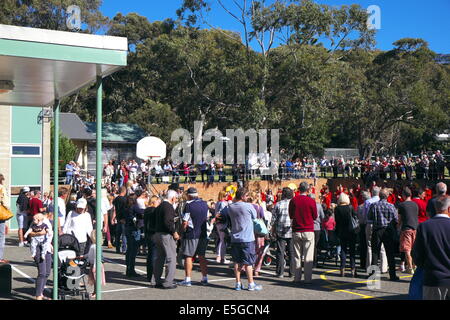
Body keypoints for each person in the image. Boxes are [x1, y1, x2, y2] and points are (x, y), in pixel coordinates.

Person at [412, 195, 450, 300]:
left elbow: (417, 254)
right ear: (448, 208)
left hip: (433, 278)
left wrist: (425, 265)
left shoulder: (424, 227)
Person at [226, 188, 262, 291]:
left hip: (235, 237)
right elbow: (255, 217)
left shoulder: (230, 207)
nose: (248, 197)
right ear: (242, 196)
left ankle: (238, 283)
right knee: (248, 262)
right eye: (246, 196)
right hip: (247, 238)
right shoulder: (248, 206)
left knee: (237, 262)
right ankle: (251, 284)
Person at [178, 188, 209, 286]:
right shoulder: (204, 203)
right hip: (203, 233)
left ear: (189, 195)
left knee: (188, 256)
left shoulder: (189, 205)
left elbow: (185, 222)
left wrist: (181, 232)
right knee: (202, 256)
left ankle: (188, 279)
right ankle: (205, 277)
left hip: (192, 234)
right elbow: (207, 217)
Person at [288, 182, 317, 284]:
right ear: (307, 190)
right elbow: (315, 216)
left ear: (299, 189)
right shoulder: (311, 201)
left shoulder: (293, 200)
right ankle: (308, 278)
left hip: (297, 229)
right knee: (308, 256)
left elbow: (291, 215)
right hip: (308, 229)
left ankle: (297, 277)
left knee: (297, 255)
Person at [368, 189, 399, 281]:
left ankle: (373, 275)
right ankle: (392, 275)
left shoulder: (374, 205)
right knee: (390, 253)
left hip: (377, 230)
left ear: (379, 196)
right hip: (388, 230)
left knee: (375, 252)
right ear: (387, 196)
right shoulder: (391, 206)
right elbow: (396, 219)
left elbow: (369, 219)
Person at [153, 190, 180, 289]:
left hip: (158, 233)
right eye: (176, 198)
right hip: (166, 234)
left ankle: (157, 280)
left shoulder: (160, 206)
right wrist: (174, 232)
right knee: (171, 258)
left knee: (160, 258)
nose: (176, 200)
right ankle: (168, 282)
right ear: (172, 198)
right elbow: (168, 221)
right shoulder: (168, 206)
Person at [271, 187, 294, 278]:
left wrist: (272, 229)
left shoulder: (278, 204)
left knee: (280, 252)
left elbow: (274, 219)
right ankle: (292, 272)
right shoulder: (293, 204)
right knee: (292, 252)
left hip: (280, 230)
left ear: (283, 195)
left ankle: (280, 272)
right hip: (291, 230)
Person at [364, 186, 388, 273]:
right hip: (383, 225)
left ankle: (369, 267)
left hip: (371, 223)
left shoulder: (368, 202)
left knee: (370, 246)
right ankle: (383, 268)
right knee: (382, 248)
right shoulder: (386, 203)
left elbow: (366, 215)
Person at [334, 193, 359, 277]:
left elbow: (336, 221)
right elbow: (355, 217)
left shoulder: (337, 209)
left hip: (341, 231)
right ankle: (353, 269)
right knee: (352, 251)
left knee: (343, 250)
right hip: (351, 231)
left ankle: (342, 269)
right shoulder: (350, 207)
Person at [29, 214, 53, 300]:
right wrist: (40, 233)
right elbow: (30, 233)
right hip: (38, 248)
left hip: (47, 248)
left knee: (47, 272)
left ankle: (41, 293)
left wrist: (50, 244)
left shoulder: (49, 222)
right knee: (42, 272)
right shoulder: (37, 221)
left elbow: (49, 235)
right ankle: (38, 295)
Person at [397, 187, 418, 275]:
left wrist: (397, 227)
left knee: (407, 249)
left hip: (406, 228)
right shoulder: (415, 204)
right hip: (415, 228)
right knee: (414, 248)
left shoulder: (402, 205)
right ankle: (414, 265)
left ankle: (409, 267)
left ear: (404, 195)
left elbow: (399, 219)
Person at [124, 195, 144, 277]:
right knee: (133, 250)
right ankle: (131, 270)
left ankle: (128, 269)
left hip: (127, 228)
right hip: (134, 229)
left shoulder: (126, 207)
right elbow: (142, 212)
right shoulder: (134, 207)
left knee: (129, 250)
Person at [248, 192, 266, 277]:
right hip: (258, 231)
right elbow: (263, 216)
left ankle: (248, 267)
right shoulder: (259, 207)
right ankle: (256, 270)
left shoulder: (247, 206)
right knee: (259, 251)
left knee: (250, 250)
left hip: (249, 230)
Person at [144, 195, 161, 284]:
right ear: (154, 202)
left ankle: (149, 275)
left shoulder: (147, 210)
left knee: (150, 255)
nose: (159, 203)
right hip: (153, 233)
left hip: (148, 234)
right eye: (158, 201)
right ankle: (153, 276)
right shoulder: (154, 210)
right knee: (154, 256)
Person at [86, 230, 106, 299]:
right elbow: (89, 254)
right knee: (94, 280)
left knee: (96, 280)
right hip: (93, 264)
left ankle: (96, 292)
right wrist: (84, 256)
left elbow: (96, 257)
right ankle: (95, 291)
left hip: (96, 265)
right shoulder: (93, 245)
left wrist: (94, 266)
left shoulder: (95, 246)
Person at [213, 191, 230, 264]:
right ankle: (220, 257)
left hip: (218, 222)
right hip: (222, 222)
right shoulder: (223, 203)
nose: (227, 196)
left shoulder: (218, 203)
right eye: (226, 195)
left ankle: (220, 256)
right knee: (223, 240)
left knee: (221, 239)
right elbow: (223, 213)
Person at [310, 193, 324, 268]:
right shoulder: (318, 206)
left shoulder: (307, 205)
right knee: (315, 245)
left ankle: (309, 261)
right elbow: (322, 216)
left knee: (309, 245)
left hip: (309, 227)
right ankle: (314, 262)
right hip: (317, 227)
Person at [112, 186, 128, 254]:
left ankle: (117, 249)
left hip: (118, 218)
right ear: (124, 191)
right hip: (123, 218)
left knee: (118, 235)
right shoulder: (125, 199)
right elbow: (125, 209)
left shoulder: (116, 199)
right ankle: (124, 249)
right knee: (124, 235)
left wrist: (114, 217)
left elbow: (114, 209)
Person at [0, 173, 9, 263]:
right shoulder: (1, 188)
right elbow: (5, 202)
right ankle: (0, 257)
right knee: (1, 236)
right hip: (0, 214)